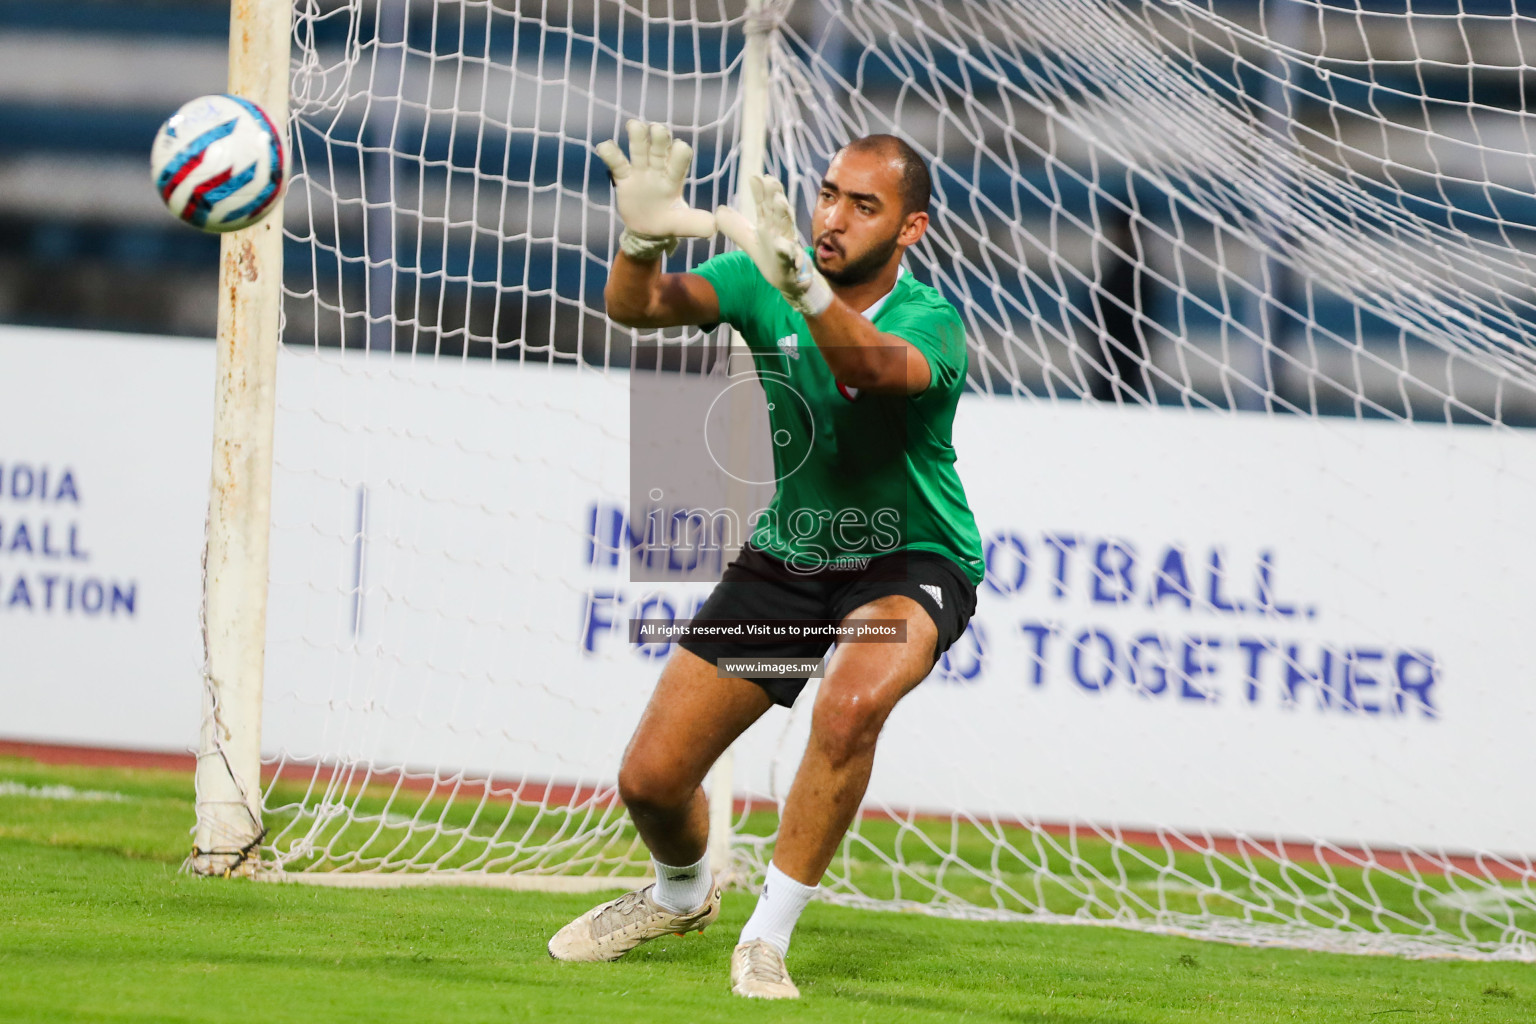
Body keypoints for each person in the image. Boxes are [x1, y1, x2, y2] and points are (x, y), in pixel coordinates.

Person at [547, 120, 984, 1000]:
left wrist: (807, 292)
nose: (834, 216)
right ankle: (681, 895)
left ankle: (766, 938)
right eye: (829, 193)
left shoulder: (932, 321)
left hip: (910, 558)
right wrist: (638, 239)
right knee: (653, 780)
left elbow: (868, 368)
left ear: (910, 230)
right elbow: (637, 309)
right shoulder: (759, 277)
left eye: (866, 205)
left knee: (852, 703)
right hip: (792, 561)